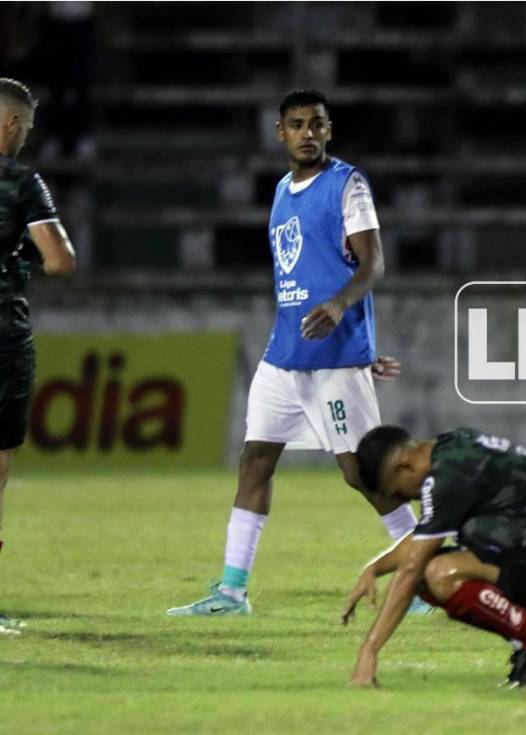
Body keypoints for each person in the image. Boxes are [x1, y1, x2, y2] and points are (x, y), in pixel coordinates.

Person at [169, 89, 416, 616]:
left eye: (318, 124)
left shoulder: (346, 184)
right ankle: (232, 593)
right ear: (279, 133)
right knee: (255, 461)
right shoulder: (282, 190)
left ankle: (418, 570)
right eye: (297, 124)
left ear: (330, 130)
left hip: (334, 355)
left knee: (361, 474)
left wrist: (340, 309)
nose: (308, 133)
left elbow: (373, 265)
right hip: (283, 355)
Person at [341, 425, 526, 688]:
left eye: (397, 492)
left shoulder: (448, 477)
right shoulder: (452, 451)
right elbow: (419, 543)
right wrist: (375, 568)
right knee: (430, 572)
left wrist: (369, 649)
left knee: (438, 573)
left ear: (405, 466)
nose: (405, 500)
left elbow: (411, 568)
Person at [0, 78, 77, 635]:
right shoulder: (20, 182)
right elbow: (60, 259)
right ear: (10, 125)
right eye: (24, 127)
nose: (26, 136)